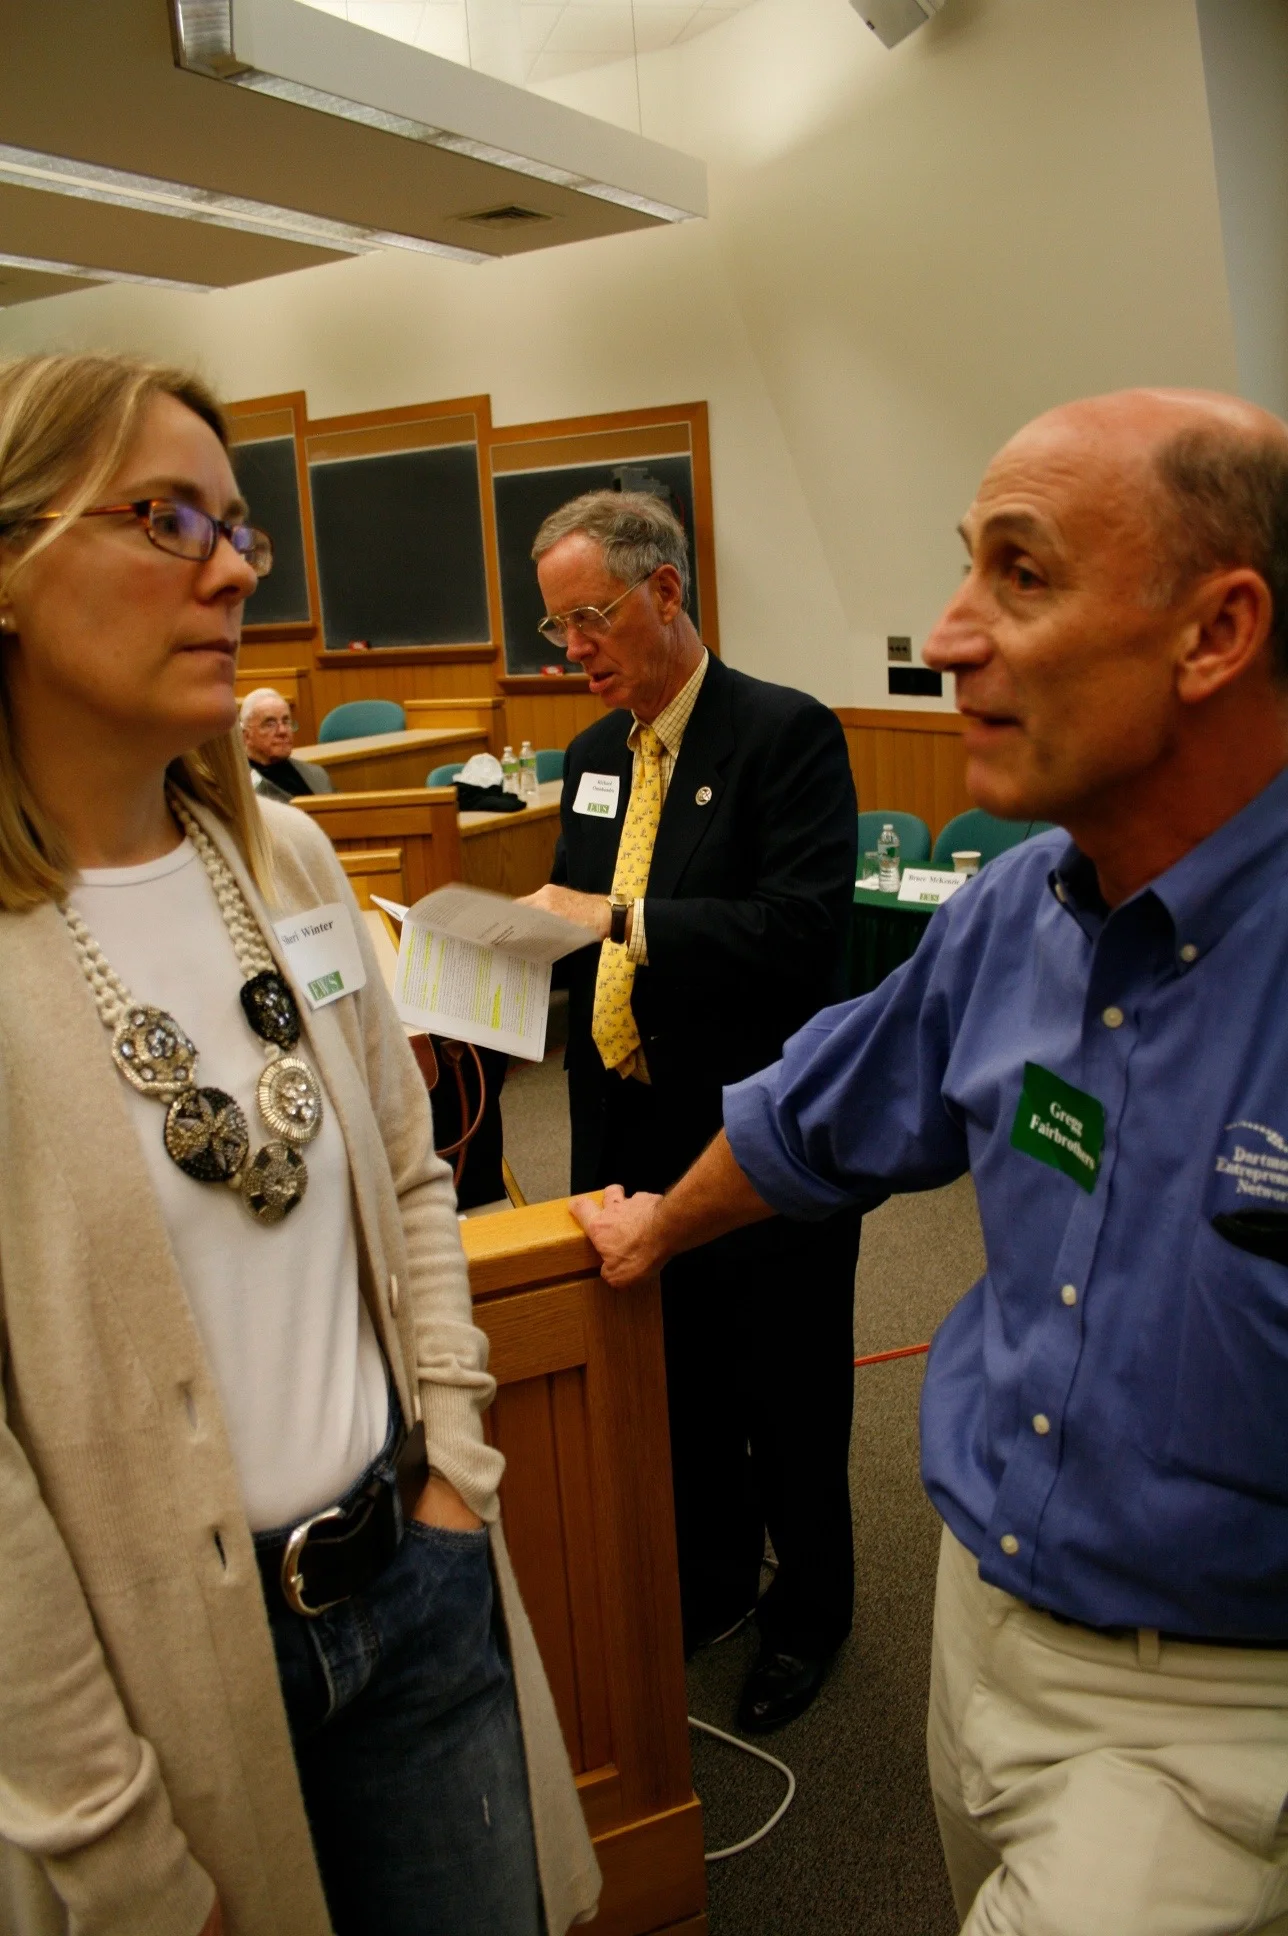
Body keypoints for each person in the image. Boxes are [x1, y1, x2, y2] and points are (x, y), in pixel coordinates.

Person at [574, 388, 1288, 1933]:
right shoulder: (1013, 911)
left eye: (1020, 574)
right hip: (980, 1620)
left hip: (1218, 1710)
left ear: (1218, 632)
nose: (951, 634)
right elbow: (812, 1113)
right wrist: (652, 1231)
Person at [0, 351, 599, 1936]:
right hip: (163, 1696)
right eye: (165, 518)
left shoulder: (285, 860)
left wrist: (455, 1467)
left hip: (414, 1574)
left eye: (237, 527)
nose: (232, 571)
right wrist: (103, 1837)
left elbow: (410, 1172)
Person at [520, 490, 862, 1733]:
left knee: (787, 1383)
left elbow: (799, 932)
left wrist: (618, 919)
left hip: (757, 1126)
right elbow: (571, 918)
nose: (574, 650)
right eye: (557, 628)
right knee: (674, 1377)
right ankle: (712, 1578)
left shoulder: (783, 734)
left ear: (664, 591)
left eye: (590, 618)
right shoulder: (590, 757)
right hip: (626, 1114)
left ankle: (811, 1610)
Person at [239, 685, 332, 799]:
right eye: (270, 724)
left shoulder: (316, 774)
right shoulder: (239, 785)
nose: (282, 731)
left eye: (286, 721)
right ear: (246, 736)